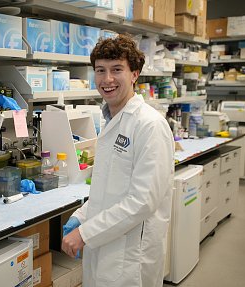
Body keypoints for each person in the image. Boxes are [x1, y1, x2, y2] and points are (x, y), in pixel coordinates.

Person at [61, 34, 175, 287]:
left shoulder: (149, 125)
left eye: (117, 70)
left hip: (131, 255)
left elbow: (142, 201)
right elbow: (108, 189)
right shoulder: (111, 120)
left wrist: (86, 233)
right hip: (107, 244)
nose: (107, 79)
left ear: (134, 74)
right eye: (100, 70)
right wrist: (81, 215)